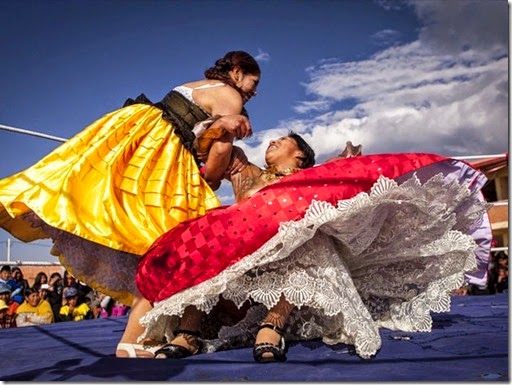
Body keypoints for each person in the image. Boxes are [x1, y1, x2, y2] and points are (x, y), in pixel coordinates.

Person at [136, 138, 492, 362]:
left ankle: (272, 325)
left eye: (282, 142)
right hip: (239, 256)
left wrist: (345, 163)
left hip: (288, 256)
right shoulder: (247, 173)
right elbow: (213, 148)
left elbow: (349, 182)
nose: (272, 142)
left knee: (310, 235)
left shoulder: (315, 178)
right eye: (272, 141)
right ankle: (189, 332)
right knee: (208, 238)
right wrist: (224, 123)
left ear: (301, 156)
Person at [0, 50, 260, 357]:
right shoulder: (231, 96)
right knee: (173, 243)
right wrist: (213, 179)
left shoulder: (195, 85)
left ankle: (143, 331)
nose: (253, 92)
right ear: (237, 71)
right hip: (163, 156)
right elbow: (218, 154)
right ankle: (135, 339)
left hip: (134, 138)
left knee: (135, 226)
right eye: (253, 83)